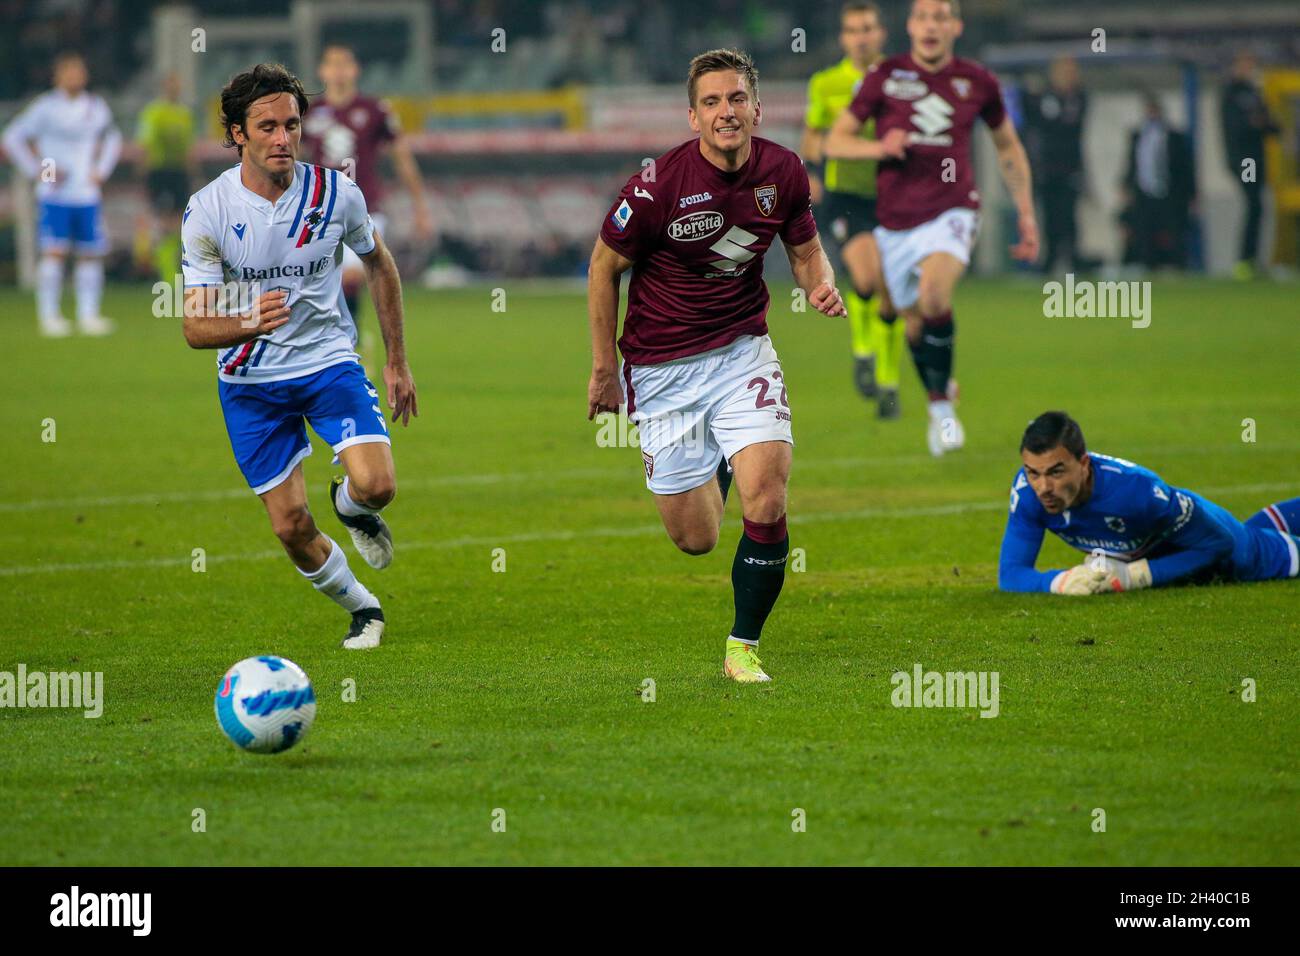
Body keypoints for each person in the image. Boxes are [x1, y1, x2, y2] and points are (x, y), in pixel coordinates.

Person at [586, 48, 847, 684]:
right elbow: (603, 268)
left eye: (735, 99)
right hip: (661, 369)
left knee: (769, 491)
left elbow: (806, 250)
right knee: (696, 537)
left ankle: (743, 646)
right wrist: (602, 371)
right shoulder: (655, 185)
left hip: (742, 352)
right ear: (693, 114)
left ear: (756, 108)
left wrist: (819, 285)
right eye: (711, 102)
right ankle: (720, 462)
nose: (725, 112)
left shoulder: (784, 171)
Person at [181, 63, 418, 649]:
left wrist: (396, 360)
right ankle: (364, 608)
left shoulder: (337, 192)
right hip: (251, 382)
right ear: (237, 133)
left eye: (291, 124)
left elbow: (380, 264)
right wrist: (245, 323)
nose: (283, 138)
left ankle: (350, 505)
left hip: (326, 363)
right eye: (266, 127)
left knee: (379, 485)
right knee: (290, 526)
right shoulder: (208, 211)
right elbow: (192, 324)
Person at [825, 0, 1038, 457]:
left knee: (935, 296)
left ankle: (941, 410)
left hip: (954, 209)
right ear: (910, 26)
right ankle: (940, 393)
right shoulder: (885, 77)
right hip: (895, 222)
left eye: (941, 17)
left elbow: (1008, 146)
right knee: (914, 323)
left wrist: (1025, 211)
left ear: (955, 27)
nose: (931, 26)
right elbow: (835, 140)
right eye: (923, 17)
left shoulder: (978, 82)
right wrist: (881, 147)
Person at [999, 411, 1299, 594]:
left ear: (1084, 463)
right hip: (1205, 552)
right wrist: (1061, 582)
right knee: (1262, 527)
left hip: (1243, 559)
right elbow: (1011, 574)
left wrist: (1135, 576)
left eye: (1056, 472)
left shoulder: (1137, 492)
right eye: (1033, 472)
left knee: (1255, 543)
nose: (1043, 487)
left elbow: (1220, 544)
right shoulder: (1028, 493)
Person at [802, 1, 904, 418]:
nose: (861, 36)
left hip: (895, 195)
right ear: (844, 38)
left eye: (868, 28)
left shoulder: (901, 79)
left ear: (880, 34)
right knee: (865, 277)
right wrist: (810, 171)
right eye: (853, 30)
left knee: (893, 291)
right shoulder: (826, 83)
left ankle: (889, 383)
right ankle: (864, 349)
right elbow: (813, 135)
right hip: (847, 195)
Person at [300, 44, 433, 329]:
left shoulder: (375, 110)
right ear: (322, 71)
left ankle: (351, 333)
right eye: (332, 64)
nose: (338, 71)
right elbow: (293, 160)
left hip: (366, 206)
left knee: (351, 276)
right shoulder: (310, 113)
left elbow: (402, 159)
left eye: (344, 64)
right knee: (320, 280)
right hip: (320, 209)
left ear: (355, 69)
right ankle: (338, 339)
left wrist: (420, 206)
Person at [2, 51, 120, 337]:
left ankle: (88, 315)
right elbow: (12, 137)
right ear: (57, 76)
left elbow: (112, 138)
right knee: (54, 253)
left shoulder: (95, 107)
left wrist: (101, 171)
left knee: (90, 254)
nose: (74, 76)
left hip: (87, 193)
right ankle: (49, 316)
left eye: (78, 71)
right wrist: (41, 171)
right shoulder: (45, 107)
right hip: (55, 194)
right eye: (68, 72)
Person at [1022, 56, 1087, 274]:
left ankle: (1072, 259)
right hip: (1048, 169)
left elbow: (1071, 128)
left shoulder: (1078, 99)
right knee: (1050, 217)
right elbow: (1039, 123)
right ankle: (1050, 260)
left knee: (1069, 217)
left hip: (1070, 168)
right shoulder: (1045, 98)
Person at [1220, 51, 1279, 280]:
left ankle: (1251, 259)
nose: (1248, 69)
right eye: (1244, 65)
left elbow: (1270, 124)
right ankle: (1244, 260)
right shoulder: (1231, 93)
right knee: (1253, 203)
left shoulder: (1254, 93)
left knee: (1257, 205)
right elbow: (1237, 127)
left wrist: (1267, 124)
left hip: (1257, 156)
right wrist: (1256, 124)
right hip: (1244, 159)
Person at [1121, 94, 1195, 271]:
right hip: (1144, 191)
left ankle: (1180, 267)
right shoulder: (1137, 136)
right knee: (1144, 231)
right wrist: (1126, 185)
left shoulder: (1174, 136)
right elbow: (1132, 163)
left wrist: (1192, 193)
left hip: (1169, 190)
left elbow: (1186, 167)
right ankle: (1147, 266)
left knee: (1175, 230)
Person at [136, 71, 196, 282]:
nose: (174, 89)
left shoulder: (184, 113)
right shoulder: (154, 112)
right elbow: (145, 143)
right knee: (160, 220)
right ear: (164, 87)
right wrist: (143, 170)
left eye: (177, 85)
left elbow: (189, 147)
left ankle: (172, 270)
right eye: (171, 84)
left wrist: (192, 172)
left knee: (179, 221)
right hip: (158, 171)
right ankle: (164, 271)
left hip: (178, 172)